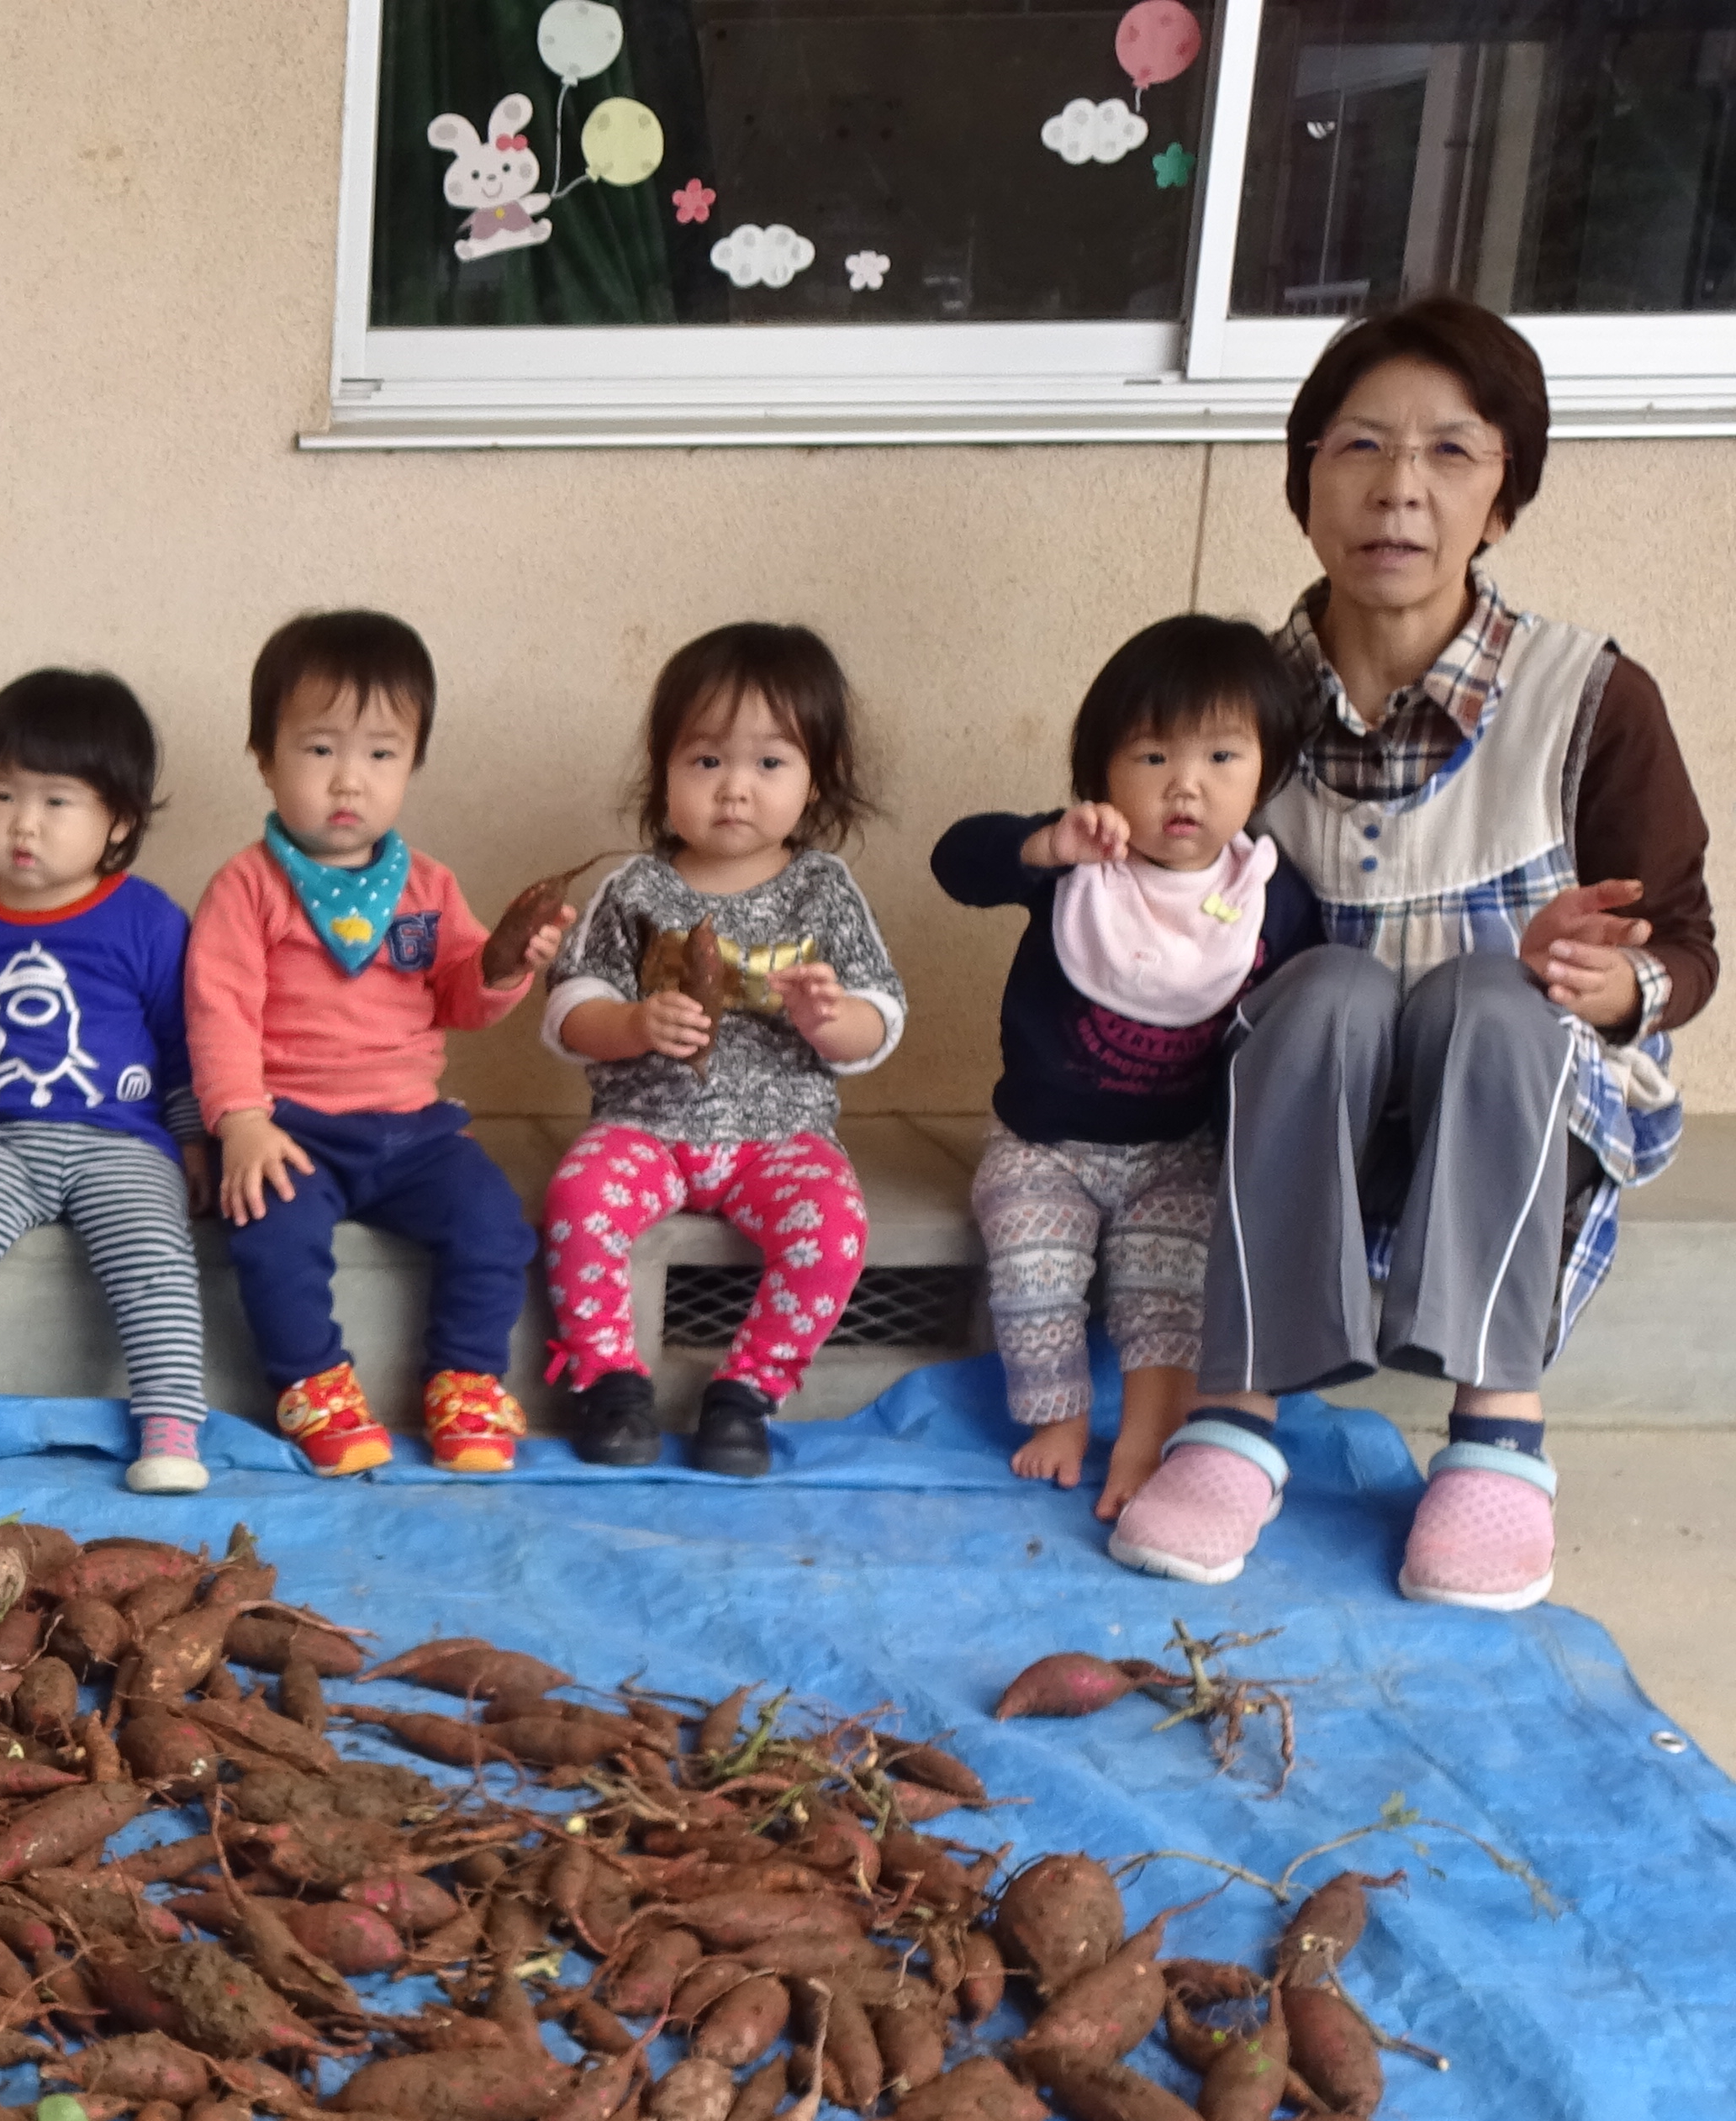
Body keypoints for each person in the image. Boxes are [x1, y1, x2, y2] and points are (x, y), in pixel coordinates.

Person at [1111, 295, 1714, 1611]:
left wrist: (1619, 985)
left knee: (1501, 1004)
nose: (1399, 489)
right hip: (1308, 1096)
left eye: (1452, 452)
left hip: (1513, 1094)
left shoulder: (1590, 695)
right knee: (1320, 986)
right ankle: (1236, 1421)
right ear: (1305, 484)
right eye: (1359, 448)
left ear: (1504, 499)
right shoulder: (1241, 701)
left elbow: (1683, 936)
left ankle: (1496, 1438)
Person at [935, 616, 1319, 1517]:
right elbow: (955, 860)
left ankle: (1146, 1440)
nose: (1185, 785)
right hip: (1044, 1142)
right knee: (1032, 1267)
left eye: (1223, 757)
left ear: (1268, 771)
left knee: (1168, 1292)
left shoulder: (1269, 897)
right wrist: (1044, 845)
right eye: (1151, 758)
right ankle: (1058, 1420)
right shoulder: (1079, 865)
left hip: (1176, 1151)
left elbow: (1299, 1021)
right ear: (1101, 769)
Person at [189, 609, 568, 1477]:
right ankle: (314, 1383)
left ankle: (466, 1380)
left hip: (412, 1129)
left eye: (381, 754)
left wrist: (504, 964)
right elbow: (218, 1011)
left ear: (413, 766)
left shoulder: (427, 886)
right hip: (292, 1127)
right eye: (319, 750)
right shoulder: (248, 887)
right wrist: (241, 1120)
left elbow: (461, 998)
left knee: (494, 1224)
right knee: (272, 1237)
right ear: (264, 756)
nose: (347, 780)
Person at [540, 622, 905, 1478]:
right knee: (576, 1196)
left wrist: (833, 1018)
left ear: (817, 780)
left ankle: (748, 1391)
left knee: (838, 1228)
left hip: (781, 1138)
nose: (735, 789)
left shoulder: (822, 890)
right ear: (663, 770)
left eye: (769, 764)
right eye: (706, 761)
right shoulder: (635, 886)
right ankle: (606, 1380)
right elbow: (569, 1008)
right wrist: (629, 1026)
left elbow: (881, 1015)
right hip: (647, 1124)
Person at [0, 667, 214, 1497]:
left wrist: (192, 1140)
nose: (23, 823)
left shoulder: (148, 920)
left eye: (57, 801)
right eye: (1, 795)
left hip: (123, 1144)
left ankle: (170, 1426)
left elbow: (180, 1044)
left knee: (156, 1261)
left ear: (118, 823)